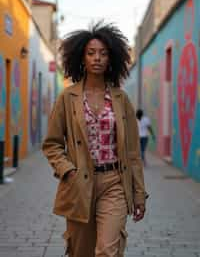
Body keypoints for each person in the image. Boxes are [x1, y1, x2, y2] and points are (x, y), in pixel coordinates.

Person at [42, 21, 146, 257]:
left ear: (112, 59)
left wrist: (139, 193)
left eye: (103, 53)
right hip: (79, 184)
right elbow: (52, 143)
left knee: (107, 251)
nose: (97, 58)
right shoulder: (67, 98)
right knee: (82, 251)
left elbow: (132, 153)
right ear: (82, 57)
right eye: (91, 53)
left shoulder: (121, 99)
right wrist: (67, 170)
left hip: (115, 183)